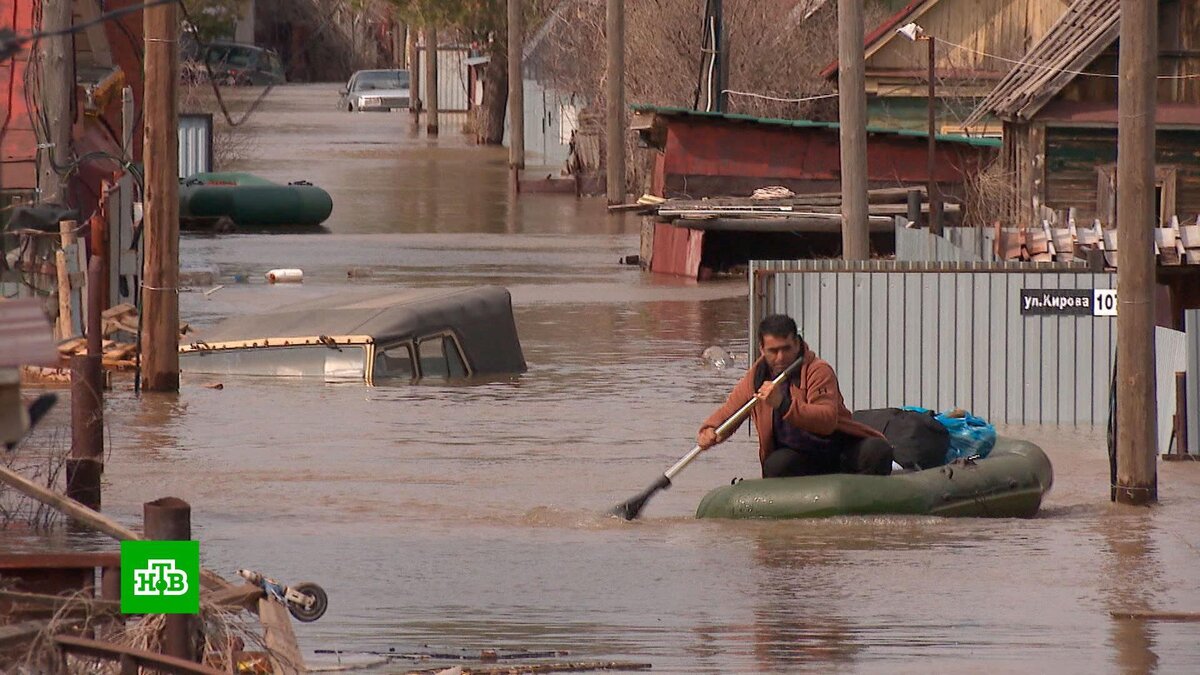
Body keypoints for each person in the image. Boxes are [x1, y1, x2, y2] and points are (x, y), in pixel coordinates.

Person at [697, 314, 893, 478]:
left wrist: (783, 404)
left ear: (797, 344)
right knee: (776, 465)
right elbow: (730, 411)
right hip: (799, 458)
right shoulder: (756, 378)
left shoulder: (818, 370)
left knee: (877, 451)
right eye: (773, 351)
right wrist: (710, 429)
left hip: (837, 450)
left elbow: (826, 420)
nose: (781, 358)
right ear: (762, 350)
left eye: (786, 349)